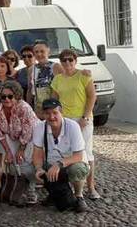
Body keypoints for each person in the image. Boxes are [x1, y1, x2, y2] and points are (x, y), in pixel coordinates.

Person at [51, 49, 100, 200]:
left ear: (75, 60)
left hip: (82, 119)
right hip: (65, 120)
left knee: (86, 152)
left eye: (70, 60)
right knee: (68, 152)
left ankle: (91, 187)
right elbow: (55, 101)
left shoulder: (84, 76)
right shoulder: (57, 79)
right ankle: (74, 187)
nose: (67, 63)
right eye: (64, 60)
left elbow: (92, 96)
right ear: (61, 62)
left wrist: (85, 117)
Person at [32, 99, 91, 213]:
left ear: (61, 112)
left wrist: (59, 164)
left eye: (55, 113)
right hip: (50, 162)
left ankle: (79, 196)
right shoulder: (40, 127)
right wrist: (38, 168)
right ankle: (54, 194)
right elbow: (37, 153)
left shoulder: (72, 126)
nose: (51, 116)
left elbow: (78, 156)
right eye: (47, 113)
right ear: (43, 115)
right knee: (31, 168)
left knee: (77, 170)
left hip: (71, 162)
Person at [0, 80, 39, 204]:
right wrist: (7, 151)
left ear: (16, 95)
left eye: (10, 96)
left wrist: (21, 149)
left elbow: (28, 131)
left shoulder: (24, 108)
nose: (7, 99)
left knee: (27, 162)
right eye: (3, 97)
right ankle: (18, 189)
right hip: (12, 136)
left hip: (31, 136)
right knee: (12, 161)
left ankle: (31, 189)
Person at [31, 40, 63, 116]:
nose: (39, 54)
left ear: (48, 51)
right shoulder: (31, 69)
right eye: (36, 52)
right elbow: (30, 89)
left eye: (42, 51)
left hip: (54, 109)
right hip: (38, 109)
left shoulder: (56, 67)